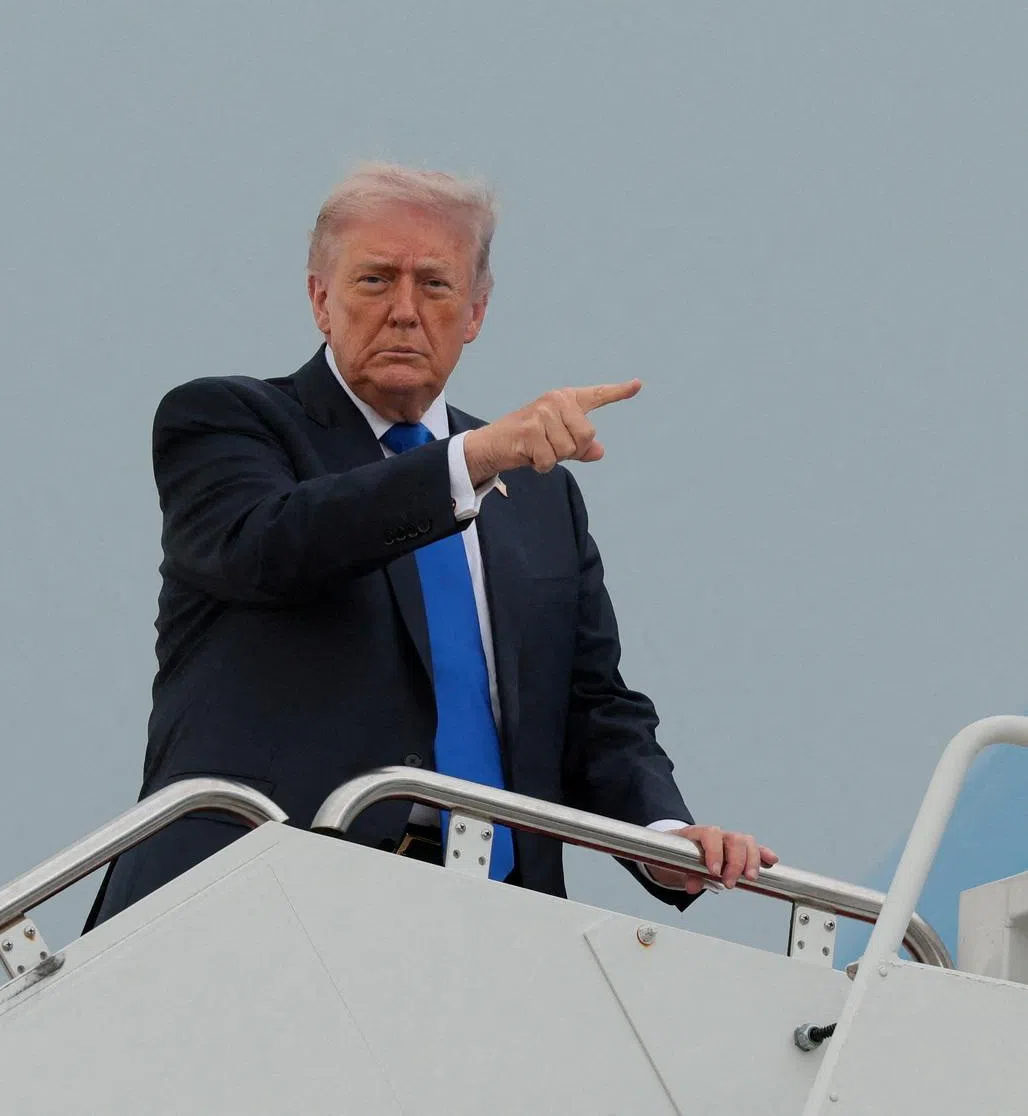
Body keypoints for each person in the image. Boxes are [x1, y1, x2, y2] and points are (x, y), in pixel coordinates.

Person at [85, 164, 776, 930]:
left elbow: (589, 705)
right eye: (375, 280)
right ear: (320, 299)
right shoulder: (227, 422)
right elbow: (273, 545)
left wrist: (661, 834)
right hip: (256, 908)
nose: (405, 312)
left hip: (488, 931)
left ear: (476, 312)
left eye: (435, 286)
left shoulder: (539, 493)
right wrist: (470, 462)